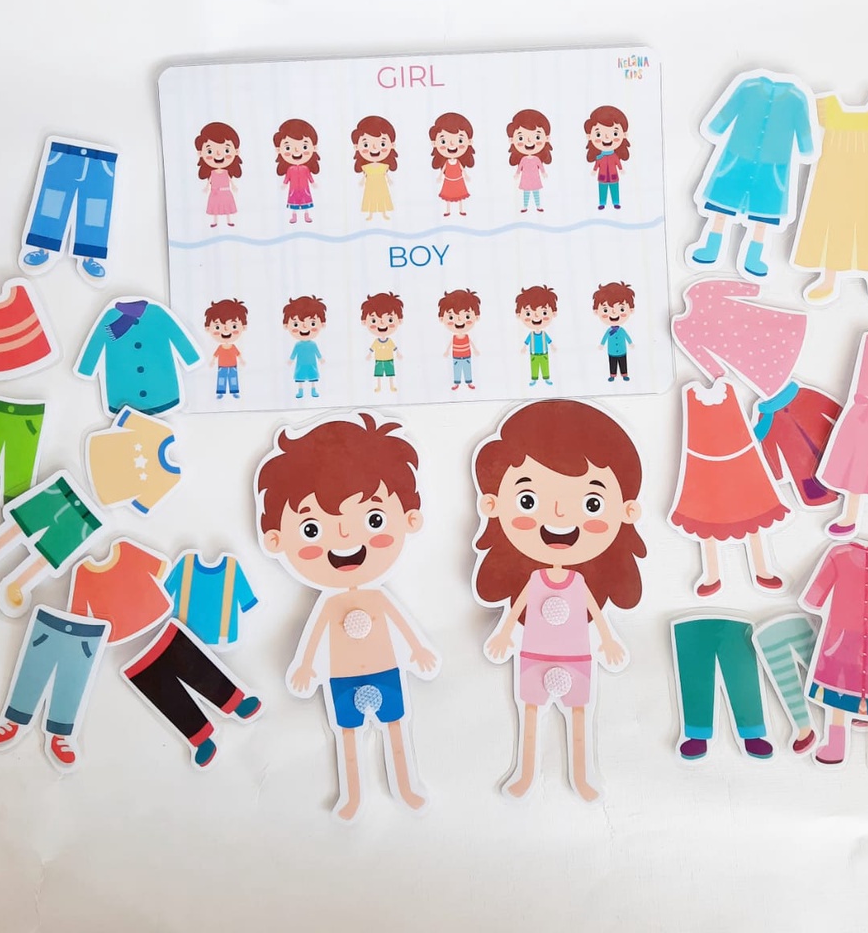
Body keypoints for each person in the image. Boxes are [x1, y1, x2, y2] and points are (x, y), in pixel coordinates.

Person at [255, 413, 438, 820]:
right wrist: (306, 665)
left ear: (410, 518)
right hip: (340, 675)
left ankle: (406, 785)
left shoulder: (376, 596)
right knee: (348, 736)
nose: (344, 537)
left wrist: (417, 650)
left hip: (385, 668)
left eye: (373, 520)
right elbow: (317, 634)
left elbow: (399, 622)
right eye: (312, 529)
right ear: (276, 539)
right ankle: (352, 795)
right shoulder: (329, 604)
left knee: (395, 727)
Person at [472, 400, 646, 800]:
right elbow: (518, 609)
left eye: (591, 504)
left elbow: (595, 614)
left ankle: (582, 774)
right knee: (531, 711)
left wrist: (608, 640)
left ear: (627, 511)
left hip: (577, 655)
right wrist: (504, 634)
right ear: (492, 504)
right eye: (528, 500)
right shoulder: (533, 579)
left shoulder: (579, 581)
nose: (559, 516)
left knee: (578, 712)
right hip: (533, 653)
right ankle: (525, 771)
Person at [194, 122, 242, 227]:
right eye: (210, 151)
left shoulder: (226, 172)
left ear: (236, 151)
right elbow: (209, 181)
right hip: (215, 193)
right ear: (200, 153)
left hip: (225, 192)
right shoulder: (212, 173)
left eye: (226, 150)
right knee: (215, 208)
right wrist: (206, 188)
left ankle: (229, 220)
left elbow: (230, 180)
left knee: (227, 207)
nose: (218, 154)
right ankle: (215, 222)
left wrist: (234, 186)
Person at [352, 116, 398, 221]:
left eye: (382, 144)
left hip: (381, 184)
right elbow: (365, 175)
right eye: (366, 144)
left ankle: (384, 213)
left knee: (382, 198)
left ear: (392, 145)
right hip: (370, 185)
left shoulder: (383, 166)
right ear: (356, 147)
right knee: (370, 198)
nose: (374, 148)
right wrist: (362, 181)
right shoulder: (366, 167)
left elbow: (386, 174)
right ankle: (371, 214)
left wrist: (389, 180)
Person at [274, 119, 320, 224]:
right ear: (279, 150)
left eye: (304, 147)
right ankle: (294, 215)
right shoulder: (290, 169)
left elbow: (309, 176)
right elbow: (287, 177)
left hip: (304, 188)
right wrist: (284, 184)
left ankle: (306, 215)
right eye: (288, 147)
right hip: (293, 189)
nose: (296, 151)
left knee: (305, 200)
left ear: (314, 148)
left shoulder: (305, 168)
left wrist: (313, 183)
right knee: (293, 201)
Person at [429, 112, 475, 216]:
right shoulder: (446, 162)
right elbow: (443, 170)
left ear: (469, 141)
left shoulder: (458, 162)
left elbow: (462, 169)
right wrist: (440, 176)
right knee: (448, 196)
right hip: (449, 180)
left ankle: (461, 210)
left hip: (458, 180)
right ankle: (448, 211)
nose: (452, 144)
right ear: (434, 143)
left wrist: (466, 175)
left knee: (460, 195)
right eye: (443, 141)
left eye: (460, 140)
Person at [584, 106, 630, 210]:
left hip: (614, 177)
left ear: (624, 134)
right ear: (590, 136)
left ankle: (616, 202)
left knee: (614, 189)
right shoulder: (599, 157)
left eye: (615, 133)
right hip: (602, 177)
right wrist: (594, 170)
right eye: (598, 134)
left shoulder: (615, 156)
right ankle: (602, 203)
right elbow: (597, 164)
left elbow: (618, 163)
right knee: (602, 190)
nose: (607, 138)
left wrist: (621, 169)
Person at [507, 109, 552, 212]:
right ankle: (525, 206)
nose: (529, 141)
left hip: (535, 178)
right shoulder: (523, 159)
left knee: (536, 192)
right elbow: (520, 167)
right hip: (526, 178)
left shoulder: (536, 159)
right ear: (512, 140)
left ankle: (538, 206)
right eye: (521, 138)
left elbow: (541, 166)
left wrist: (544, 173)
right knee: (526, 193)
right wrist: (517, 174)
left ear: (546, 138)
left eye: (537, 137)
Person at [283, 295, 326, 399]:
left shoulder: (313, 344)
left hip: (311, 365)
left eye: (312, 323)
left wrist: (320, 359)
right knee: (300, 378)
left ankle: (313, 390)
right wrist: (290, 360)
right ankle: (300, 391)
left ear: (322, 324)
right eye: (296, 324)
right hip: (300, 365)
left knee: (312, 377)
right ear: (286, 325)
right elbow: (294, 353)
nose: (304, 328)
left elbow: (317, 352)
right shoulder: (298, 345)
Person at [204, 298, 247, 399]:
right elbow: (215, 355)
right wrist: (212, 361)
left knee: (233, 379)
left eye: (234, 326)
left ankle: (234, 391)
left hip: (233, 366)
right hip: (222, 366)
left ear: (243, 327)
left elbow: (238, 354)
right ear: (208, 328)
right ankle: (220, 392)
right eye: (217, 327)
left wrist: (242, 360)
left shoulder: (233, 347)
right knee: (221, 379)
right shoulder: (220, 347)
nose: (226, 331)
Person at [438, 288, 481, 390]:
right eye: (451, 317)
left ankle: (469, 382)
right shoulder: (454, 337)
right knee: (457, 369)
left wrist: (475, 350)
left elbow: (471, 343)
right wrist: (446, 351)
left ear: (476, 317)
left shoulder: (467, 337)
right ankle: (456, 383)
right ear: (441, 318)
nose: (459, 321)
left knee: (467, 369)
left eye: (467, 316)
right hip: (456, 357)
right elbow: (450, 344)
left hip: (466, 356)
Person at [362, 291, 403, 393]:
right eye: (374, 321)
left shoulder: (390, 341)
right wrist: (369, 355)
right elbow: (372, 349)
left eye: (390, 320)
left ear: (399, 320)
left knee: (390, 373)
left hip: (389, 359)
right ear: (364, 321)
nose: (382, 324)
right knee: (378, 374)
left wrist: (398, 354)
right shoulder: (376, 342)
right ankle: (379, 386)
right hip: (379, 360)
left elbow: (395, 348)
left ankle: (391, 386)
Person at [515, 285, 557, 386]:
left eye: (544, 312)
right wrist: (524, 348)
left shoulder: (544, 334)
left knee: (545, 366)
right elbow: (526, 342)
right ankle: (534, 379)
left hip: (544, 354)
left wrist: (553, 346)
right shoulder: (531, 335)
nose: (536, 317)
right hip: (533, 354)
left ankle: (546, 378)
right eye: (528, 314)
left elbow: (549, 341)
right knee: (534, 367)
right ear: (519, 315)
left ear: (553, 313)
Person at [593, 281, 635, 381]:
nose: (614, 314)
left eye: (621, 309)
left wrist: (630, 343)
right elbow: (605, 338)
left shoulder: (622, 330)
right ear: (596, 311)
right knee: (612, 363)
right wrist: (602, 344)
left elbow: (627, 336)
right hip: (611, 351)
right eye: (606, 310)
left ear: (631, 309)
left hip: (622, 351)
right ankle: (612, 375)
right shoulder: (609, 331)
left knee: (623, 362)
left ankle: (624, 374)